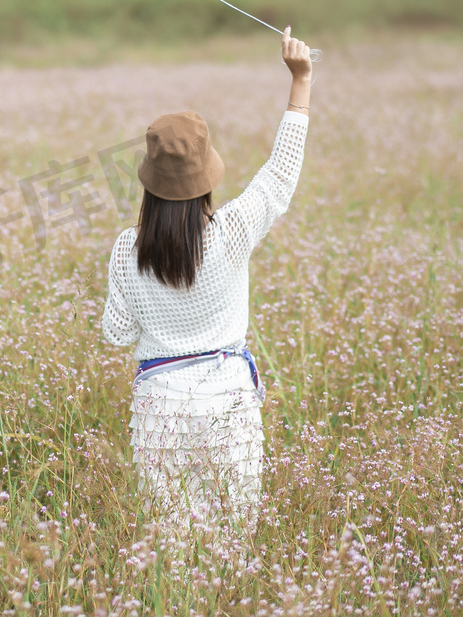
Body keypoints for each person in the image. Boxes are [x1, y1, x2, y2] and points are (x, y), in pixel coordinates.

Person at [101, 26, 313, 530]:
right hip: (229, 403)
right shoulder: (232, 232)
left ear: (150, 181)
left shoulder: (126, 248)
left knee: (170, 544)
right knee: (232, 540)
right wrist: (300, 80)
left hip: (158, 410)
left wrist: (153, 312)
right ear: (205, 178)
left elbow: (116, 333)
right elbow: (280, 174)